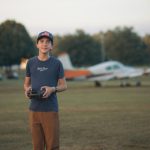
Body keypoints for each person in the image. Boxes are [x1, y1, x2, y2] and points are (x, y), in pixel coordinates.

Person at [24, 31, 67, 150]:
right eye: (41, 41)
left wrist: (52, 89)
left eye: (48, 42)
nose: (45, 44)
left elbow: (64, 85)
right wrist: (27, 91)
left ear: (52, 46)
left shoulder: (57, 63)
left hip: (50, 110)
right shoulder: (31, 62)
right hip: (34, 110)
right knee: (37, 146)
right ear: (37, 44)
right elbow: (26, 84)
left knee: (52, 146)